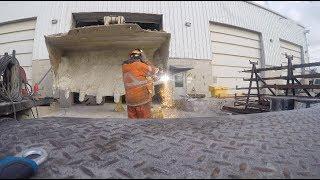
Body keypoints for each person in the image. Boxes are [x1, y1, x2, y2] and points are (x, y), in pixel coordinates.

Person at [122, 49, 159, 119]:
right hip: (142, 99)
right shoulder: (141, 65)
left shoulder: (124, 67)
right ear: (141, 57)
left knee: (132, 123)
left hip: (130, 101)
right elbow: (154, 70)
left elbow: (137, 76)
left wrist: (149, 78)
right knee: (145, 122)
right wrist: (146, 60)